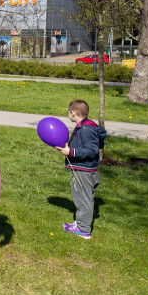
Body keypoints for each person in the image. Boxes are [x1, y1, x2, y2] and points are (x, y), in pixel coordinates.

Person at [52, 100, 106, 240]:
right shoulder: (88, 125)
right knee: (81, 197)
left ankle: (83, 229)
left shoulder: (86, 130)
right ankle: (80, 223)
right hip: (85, 169)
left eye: (68, 112)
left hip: (84, 171)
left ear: (73, 113)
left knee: (83, 199)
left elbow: (92, 150)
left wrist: (71, 152)